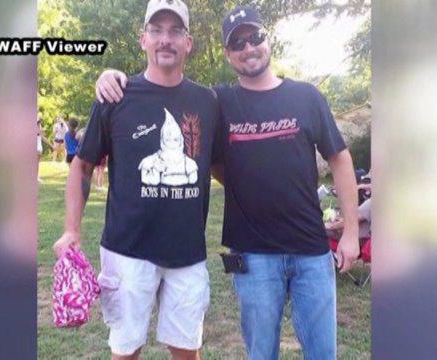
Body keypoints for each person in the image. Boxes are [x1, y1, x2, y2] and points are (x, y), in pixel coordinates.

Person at [95, 5, 360, 359]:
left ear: (268, 41)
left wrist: (353, 233)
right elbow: (210, 158)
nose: (249, 48)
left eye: (255, 38)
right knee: (261, 353)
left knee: (323, 353)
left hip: (311, 249)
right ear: (227, 53)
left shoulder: (306, 96)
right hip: (253, 254)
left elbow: (340, 159)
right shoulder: (218, 102)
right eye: (238, 43)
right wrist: (110, 75)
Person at [52, 1, 219, 358]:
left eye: (175, 31)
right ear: (143, 39)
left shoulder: (208, 101)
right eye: (156, 30)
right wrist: (71, 228)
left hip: (187, 253)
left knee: (188, 349)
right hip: (127, 252)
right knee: (125, 350)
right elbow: (81, 166)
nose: (165, 39)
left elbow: (218, 165)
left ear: (188, 42)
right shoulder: (115, 95)